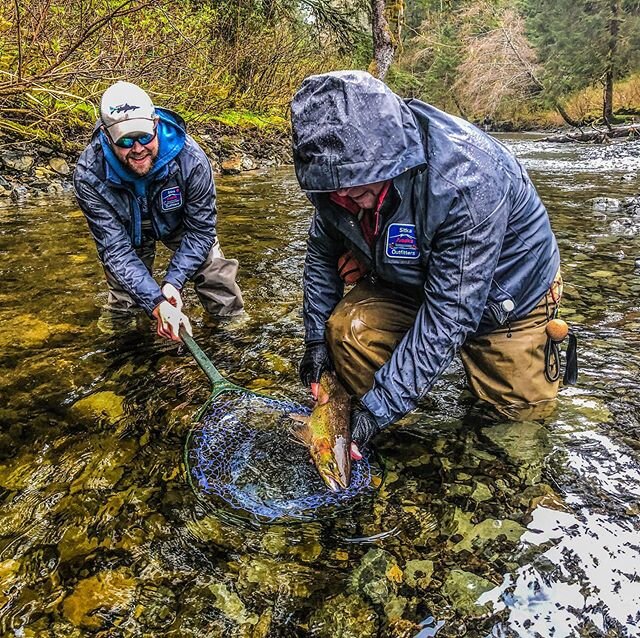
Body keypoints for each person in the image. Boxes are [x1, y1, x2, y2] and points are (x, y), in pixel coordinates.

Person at [291, 70, 566, 457]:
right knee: (345, 331)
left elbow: (450, 313)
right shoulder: (334, 184)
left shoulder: (466, 179)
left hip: (508, 300)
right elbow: (321, 253)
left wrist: (379, 405)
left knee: (518, 430)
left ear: (389, 151)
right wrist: (316, 338)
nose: (346, 195)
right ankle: (399, 442)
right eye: (334, 185)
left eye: (359, 180)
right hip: (413, 282)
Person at [74, 81, 244, 341]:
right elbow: (115, 250)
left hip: (178, 223)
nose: (138, 148)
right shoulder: (89, 174)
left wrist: (173, 282)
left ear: (155, 124)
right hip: (127, 229)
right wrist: (156, 302)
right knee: (125, 297)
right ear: (108, 138)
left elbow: (201, 231)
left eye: (144, 136)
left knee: (214, 270)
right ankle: (125, 345)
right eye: (126, 141)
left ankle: (234, 334)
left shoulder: (191, 159)